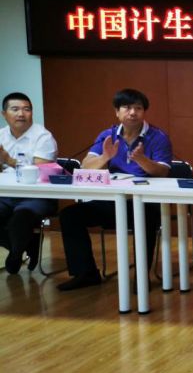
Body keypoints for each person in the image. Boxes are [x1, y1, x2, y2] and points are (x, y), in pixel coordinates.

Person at [58, 88, 172, 291]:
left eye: (138, 108)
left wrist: (141, 160)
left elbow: (163, 172)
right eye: (127, 108)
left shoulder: (158, 137)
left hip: (143, 202)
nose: (133, 113)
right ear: (117, 112)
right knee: (70, 216)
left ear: (144, 112)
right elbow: (86, 166)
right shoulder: (107, 135)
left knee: (146, 218)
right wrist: (105, 157)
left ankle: (141, 277)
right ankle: (86, 274)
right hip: (111, 201)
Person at [0, 92, 58, 274]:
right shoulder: (1, 135)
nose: (21, 114)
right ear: (4, 114)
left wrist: (9, 160)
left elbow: (39, 172)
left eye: (26, 109)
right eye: (15, 109)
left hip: (37, 195)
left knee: (20, 219)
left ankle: (15, 255)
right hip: (6, 194)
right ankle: (27, 244)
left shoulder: (43, 137)